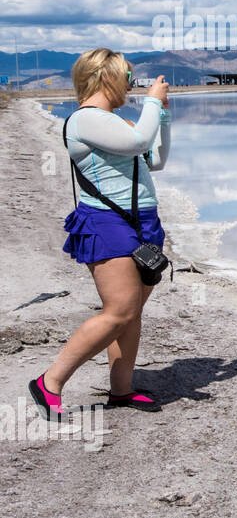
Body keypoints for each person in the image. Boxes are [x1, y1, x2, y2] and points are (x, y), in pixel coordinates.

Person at [30, 48, 171, 419]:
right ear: (106, 76)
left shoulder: (114, 121)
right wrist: (153, 104)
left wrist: (165, 114)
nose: (132, 84)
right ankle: (51, 381)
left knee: (132, 312)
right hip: (107, 220)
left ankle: (121, 390)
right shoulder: (85, 120)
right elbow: (141, 142)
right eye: (128, 77)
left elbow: (153, 158)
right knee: (119, 310)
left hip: (143, 218)